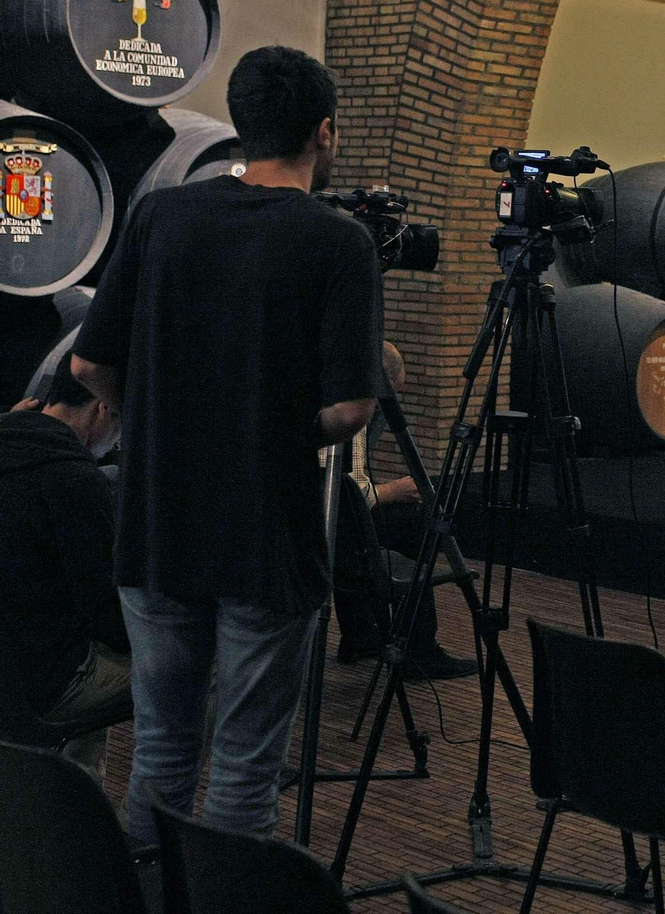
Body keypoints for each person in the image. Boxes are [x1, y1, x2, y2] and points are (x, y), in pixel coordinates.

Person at [72, 45, 385, 845]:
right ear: (324, 131)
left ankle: (151, 892)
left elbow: (87, 363)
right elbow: (349, 408)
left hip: (156, 526)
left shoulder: (162, 215)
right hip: (265, 537)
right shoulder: (338, 242)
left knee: (163, 748)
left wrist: (157, 418)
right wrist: (273, 426)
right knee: (244, 761)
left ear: (242, 127)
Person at [0, 368, 127, 781]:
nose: (121, 442)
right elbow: (109, 618)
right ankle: (139, 826)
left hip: (17, 669)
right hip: (39, 685)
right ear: (104, 408)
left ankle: (68, 802)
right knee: (203, 667)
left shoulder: (11, 437)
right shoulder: (76, 481)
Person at [329, 341, 475, 681]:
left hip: (325, 524)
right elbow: (352, 494)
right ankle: (419, 651)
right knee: (421, 525)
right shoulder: (355, 411)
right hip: (335, 529)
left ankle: (361, 636)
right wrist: (396, 490)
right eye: (393, 391)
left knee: (397, 521)